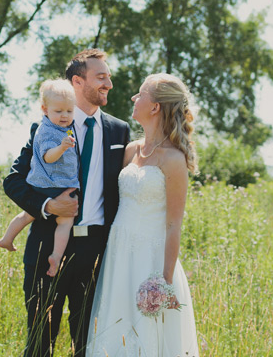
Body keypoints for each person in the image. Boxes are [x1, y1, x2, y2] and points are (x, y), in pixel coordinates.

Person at [4, 49, 131, 357]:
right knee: (39, 342)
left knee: (87, 343)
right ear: (77, 81)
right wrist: (48, 205)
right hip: (47, 246)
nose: (109, 84)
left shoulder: (119, 131)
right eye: (101, 77)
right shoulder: (47, 127)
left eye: (108, 77)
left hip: (95, 253)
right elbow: (14, 181)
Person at [87, 73, 200, 356]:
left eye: (140, 94)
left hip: (151, 261)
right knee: (115, 329)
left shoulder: (174, 159)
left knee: (148, 335)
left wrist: (163, 281)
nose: (134, 98)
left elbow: (174, 225)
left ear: (155, 107)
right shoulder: (130, 151)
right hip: (118, 254)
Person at [0, 79, 79, 277]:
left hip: (54, 184)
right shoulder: (45, 131)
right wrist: (62, 147)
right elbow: (48, 157)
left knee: (30, 215)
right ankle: (56, 255)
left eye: (69, 111)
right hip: (48, 185)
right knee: (64, 221)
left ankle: (9, 239)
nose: (64, 116)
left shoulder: (64, 127)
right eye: (59, 111)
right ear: (45, 109)